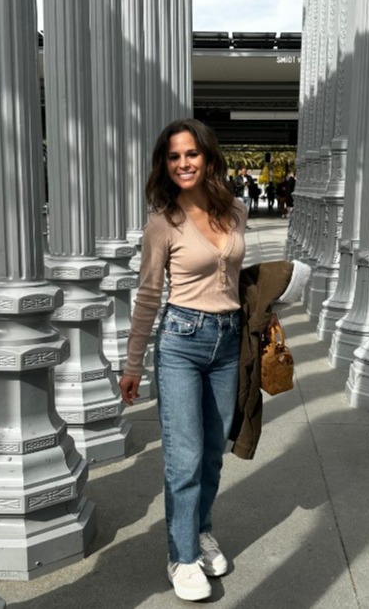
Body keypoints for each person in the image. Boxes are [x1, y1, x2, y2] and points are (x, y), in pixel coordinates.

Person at [119, 119, 248, 602]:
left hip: (229, 342)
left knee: (214, 453)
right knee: (184, 457)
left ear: (208, 158)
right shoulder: (163, 225)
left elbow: (233, 276)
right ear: (165, 165)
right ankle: (181, 555)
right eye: (173, 157)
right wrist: (133, 365)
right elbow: (148, 297)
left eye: (190, 154)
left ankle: (201, 530)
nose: (183, 164)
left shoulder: (236, 212)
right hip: (180, 342)